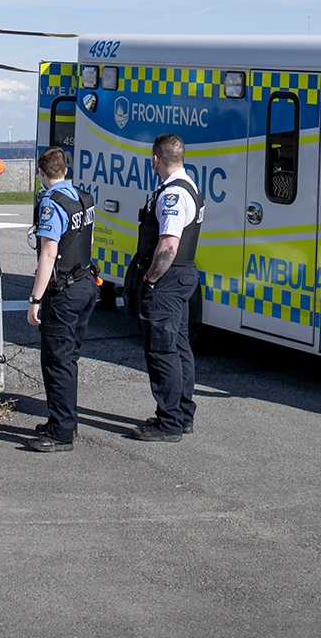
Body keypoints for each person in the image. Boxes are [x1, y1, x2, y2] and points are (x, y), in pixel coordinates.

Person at [130, 133, 204, 442]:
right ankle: (182, 412)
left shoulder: (173, 195)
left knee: (162, 350)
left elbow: (169, 245)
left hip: (169, 280)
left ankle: (169, 422)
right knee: (180, 346)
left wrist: (151, 279)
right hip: (184, 276)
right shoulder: (190, 186)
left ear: (155, 159)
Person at [23, 146, 98, 453]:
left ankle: (61, 431)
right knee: (69, 358)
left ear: (41, 173)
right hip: (85, 284)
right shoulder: (83, 197)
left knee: (57, 361)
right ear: (65, 170)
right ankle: (62, 420)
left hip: (63, 291)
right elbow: (88, 238)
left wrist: (35, 299)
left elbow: (49, 253)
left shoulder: (52, 204)